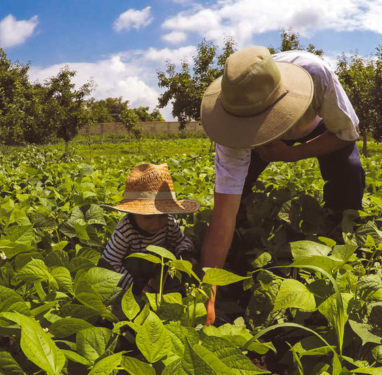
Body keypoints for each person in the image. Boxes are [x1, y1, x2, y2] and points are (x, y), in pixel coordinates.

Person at [198, 46, 366, 325]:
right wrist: (209, 293)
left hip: (318, 128)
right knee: (235, 204)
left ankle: (341, 232)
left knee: (349, 171)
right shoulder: (232, 123)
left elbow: (348, 134)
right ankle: (240, 242)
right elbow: (222, 214)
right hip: (250, 138)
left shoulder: (315, 74)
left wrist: (293, 153)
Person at [101, 163, 200, 295]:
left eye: (162, 215)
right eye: (148, 217)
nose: (156, 223)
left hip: (160, 273)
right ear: (133, 213)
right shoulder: (125, 230)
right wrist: (136, 286)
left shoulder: (169, 222)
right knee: (132, 263)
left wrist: (184, 256)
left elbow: (182, 241)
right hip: (133, 276)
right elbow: (109, 264)